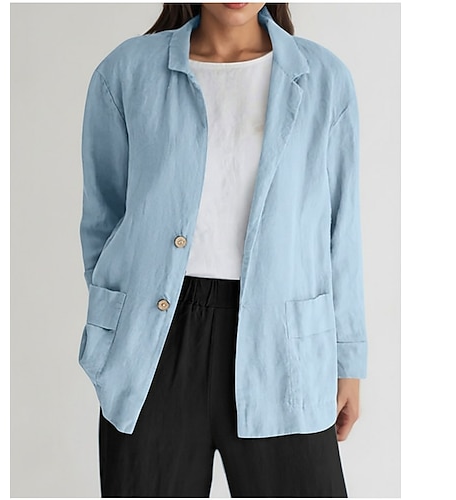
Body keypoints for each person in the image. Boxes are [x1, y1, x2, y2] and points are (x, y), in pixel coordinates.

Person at [78, 2, 368, 497]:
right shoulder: (126, 73)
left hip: (284, 344)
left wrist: (348, 359)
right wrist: (116, 327)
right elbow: (103, 217)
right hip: (154, 341)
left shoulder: (324, 78)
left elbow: (341, 228)